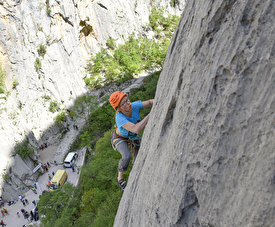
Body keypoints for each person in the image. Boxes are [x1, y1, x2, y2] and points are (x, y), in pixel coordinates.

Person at [109, 91, 153, 190]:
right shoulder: (119, 117)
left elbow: (150, 102)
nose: (128, 103)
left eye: (127, 100)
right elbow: (136, 129)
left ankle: (135, 170)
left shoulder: (133, 106)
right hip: (120, 138)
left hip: (132, 138)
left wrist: (160, 102)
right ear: (119, 108)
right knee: (126, 156)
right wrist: (149, 116)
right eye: (123, 103)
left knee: (138, 161)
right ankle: (120, 178)